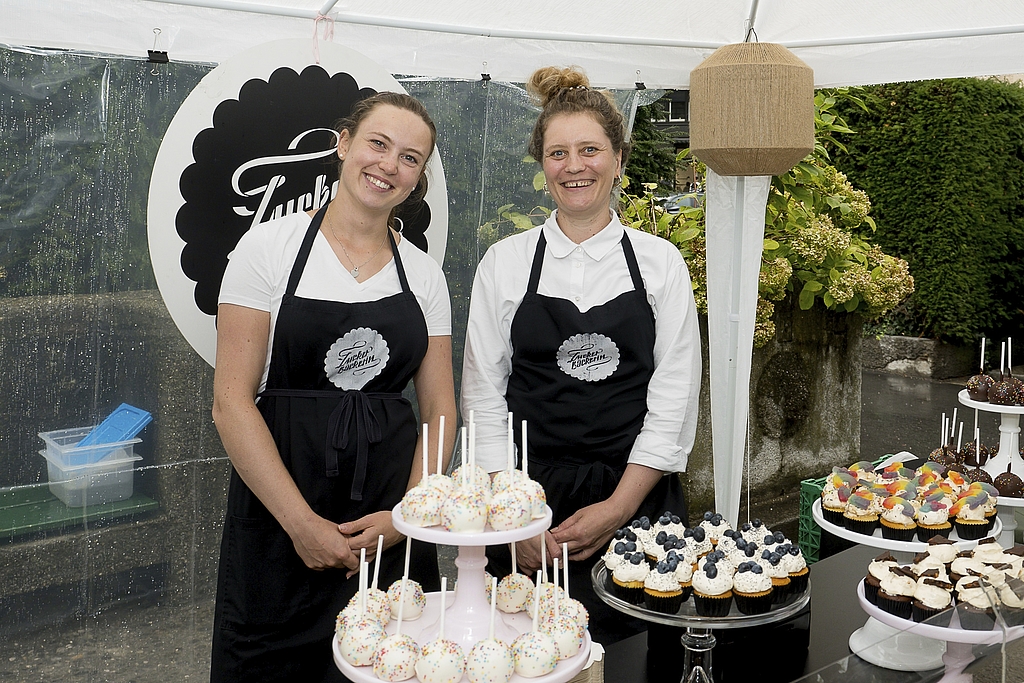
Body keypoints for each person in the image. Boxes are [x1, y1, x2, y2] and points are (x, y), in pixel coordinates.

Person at [210, 92, 456, 682]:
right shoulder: (268, 248)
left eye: (409, 158)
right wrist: (301, 524)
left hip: (388, 512)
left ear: (418, 178)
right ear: (343, 145)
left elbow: (440, 406)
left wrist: (406, 516)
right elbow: (231, 403)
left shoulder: (422, 273)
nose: (388, 165)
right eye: (378, 144)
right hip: (280, 509)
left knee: (392, 661)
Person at [461, 67, 701, 644]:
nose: (575, 166)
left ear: (619, 160)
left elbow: (673, 398)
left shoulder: (661, 262)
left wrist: (620, 507)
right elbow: (482, 395)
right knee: (523, 654)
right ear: (542, 166)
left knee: (638, 658)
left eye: (590, 150)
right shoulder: (505, 262)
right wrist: (512, 515)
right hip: (529, 499)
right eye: (558, 153)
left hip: (638, 495)